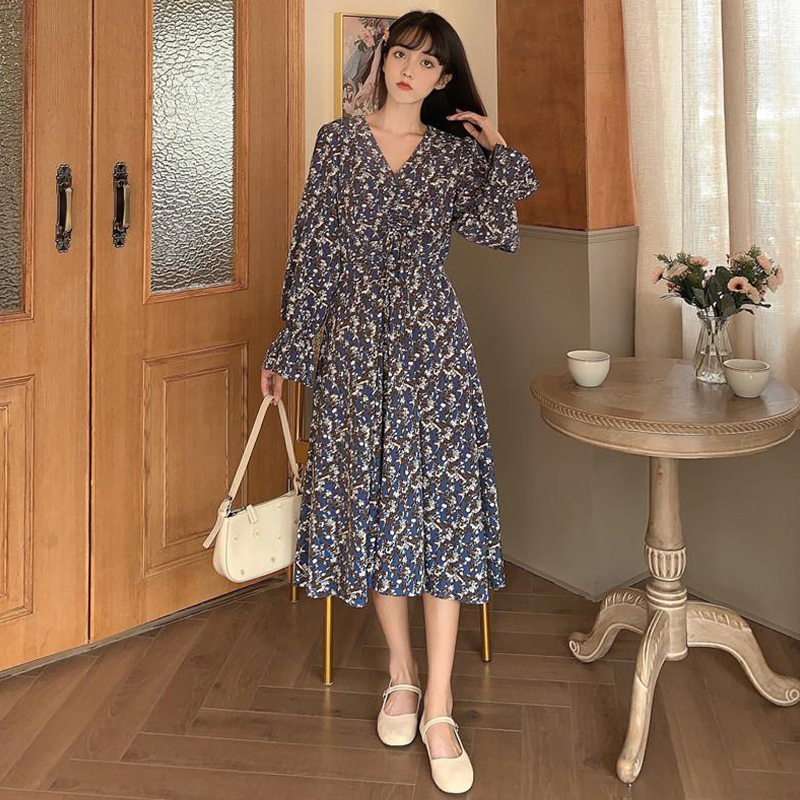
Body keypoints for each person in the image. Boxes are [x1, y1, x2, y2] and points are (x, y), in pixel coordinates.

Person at [261, 10, 540, 793]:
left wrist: (497, 149)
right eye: (402, 54)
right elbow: (313, 250)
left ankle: (441, 706)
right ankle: (402, 674)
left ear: (444, 79)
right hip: (354, 348)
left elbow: (499, 229)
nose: (410, 70)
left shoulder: (452, 157)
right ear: (383, 58)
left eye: (428, 63)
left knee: (439, 511)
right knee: (379, 507)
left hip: (432, 346)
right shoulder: (337, 143)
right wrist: (291, 346)